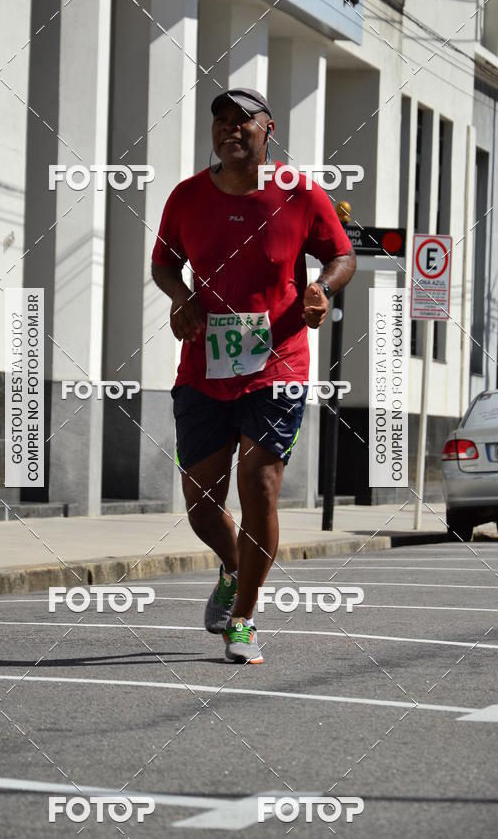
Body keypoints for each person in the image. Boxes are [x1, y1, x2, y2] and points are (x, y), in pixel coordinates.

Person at [151, 88, 356, 664]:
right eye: (220, 122)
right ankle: (236, 567)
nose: (229, 130)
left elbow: (341, 256)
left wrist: (322, 289)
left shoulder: (301, 193)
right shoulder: (187, 197)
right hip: (203, 363)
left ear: (269, 129)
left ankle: (242, 618)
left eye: (243, 122)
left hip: (279, 360)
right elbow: (164, 262)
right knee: (199, 501)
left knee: (259, 485)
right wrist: (181, 294)